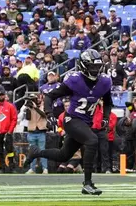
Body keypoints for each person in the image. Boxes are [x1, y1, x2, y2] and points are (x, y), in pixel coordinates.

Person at [24, 49, 113, 195]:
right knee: (92, 140)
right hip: (72, 120)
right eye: (92, 67)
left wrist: (105, 117)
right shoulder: (74, 80)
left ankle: (36, 152)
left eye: (97, 67)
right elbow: (49, 96)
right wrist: (49, 114)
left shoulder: (104, 81)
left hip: (85, 122)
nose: (95, 70)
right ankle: (88, 183)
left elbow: (108, 102)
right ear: (84, 66)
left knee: (63, 155)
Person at [24, 94, 48, 174]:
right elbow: (27, 118)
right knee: (32, 152)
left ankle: (45, 168)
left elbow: (44, 115)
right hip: (32, 131)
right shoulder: (29, 107)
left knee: (42, 151)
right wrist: (27, 108)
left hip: (41, 131)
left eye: (34, 99)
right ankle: (32, 169)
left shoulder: (43, 106)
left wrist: (35, 107)